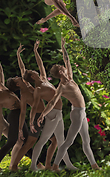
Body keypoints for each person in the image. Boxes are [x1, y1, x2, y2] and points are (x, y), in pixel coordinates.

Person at [37, 38, 100, 171]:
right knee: (68, 141)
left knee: (86, 141)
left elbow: (67, 61)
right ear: (61, 72)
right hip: (76, 113)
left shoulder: (70, 77)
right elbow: (53, 102)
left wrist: (63, 47)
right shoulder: (62, 87)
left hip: (82, 112)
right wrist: (43, 114)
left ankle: (94, 166)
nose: (66, 68)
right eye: (63, 68)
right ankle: (55, 166)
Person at [24, 40, 77, 171]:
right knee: (42, 140)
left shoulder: (43, 79)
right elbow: (35, 107)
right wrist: (32, 122)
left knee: (61, 141)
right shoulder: (38, 90)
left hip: (58, 113)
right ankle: (33, 166)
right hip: (52, 114)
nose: (36, 71)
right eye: (33, 71)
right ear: (32, 76)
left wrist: (36, 51)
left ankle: (68, 165)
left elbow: (40, 64)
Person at [6, 44, 56, 171]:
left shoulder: (28, 85)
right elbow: (23, 113)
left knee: (54, 140)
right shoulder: (24, 95)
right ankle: (14, 166)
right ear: (18, 83)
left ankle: (47, 166)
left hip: (43, 116)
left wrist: (18, 55)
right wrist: (20, 129)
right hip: (37, 119)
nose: (20, 76)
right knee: (29, 143)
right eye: (18, 78)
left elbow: (23, 68)